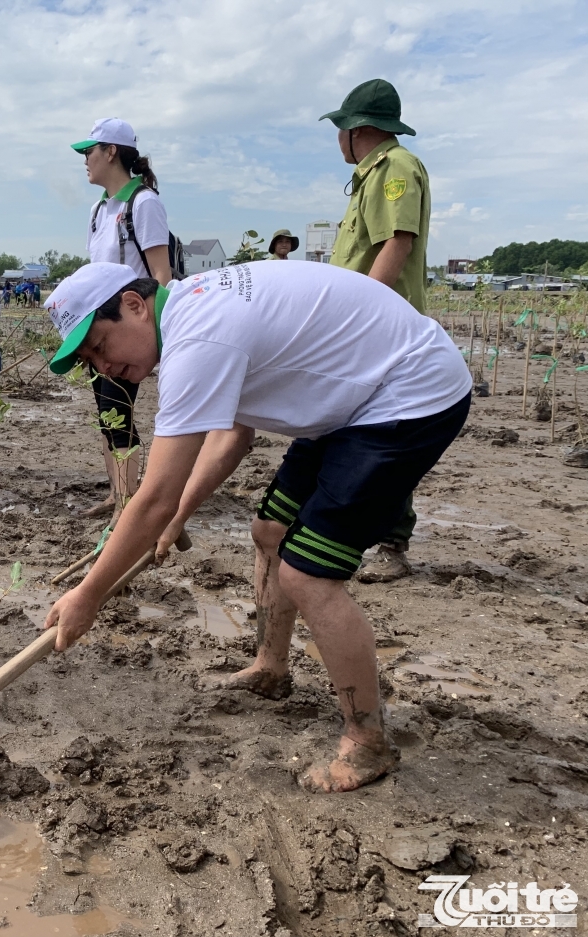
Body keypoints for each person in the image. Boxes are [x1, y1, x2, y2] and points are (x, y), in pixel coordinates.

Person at [42, 261, 471, 792]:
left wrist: (88, 595)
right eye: (89, 362)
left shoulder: (198, 338)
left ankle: (367, 744)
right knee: (270, 532)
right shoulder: (193, 315)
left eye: (100, 347)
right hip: (350, 401)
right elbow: (232, 437)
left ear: (133, 304)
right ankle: (271, 669)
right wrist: (179, 516)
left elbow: (152, 497)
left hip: (407, 395)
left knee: (308, 575)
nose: (103, 368)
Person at [322, 78, 431, 584]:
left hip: (381, 325)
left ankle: (392, 542)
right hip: (366, 323)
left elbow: (396, 245)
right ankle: (365, 530)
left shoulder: (395, 169)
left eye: (340, 128)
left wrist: (359, 312)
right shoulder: (369, 176)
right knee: (358, 427)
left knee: (387, 430)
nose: (337, 138)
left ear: (357, 129)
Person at [73, 117, 174, 524]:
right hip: (101, 327)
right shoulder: (100, 209)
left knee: (120, 412)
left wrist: (155, 337)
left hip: (128, 328)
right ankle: (117, 493)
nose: (85, 160)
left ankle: (128, 504)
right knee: (106, 412)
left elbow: (161, 274)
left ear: (111, 151)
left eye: (89, 151)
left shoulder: (144, 203)